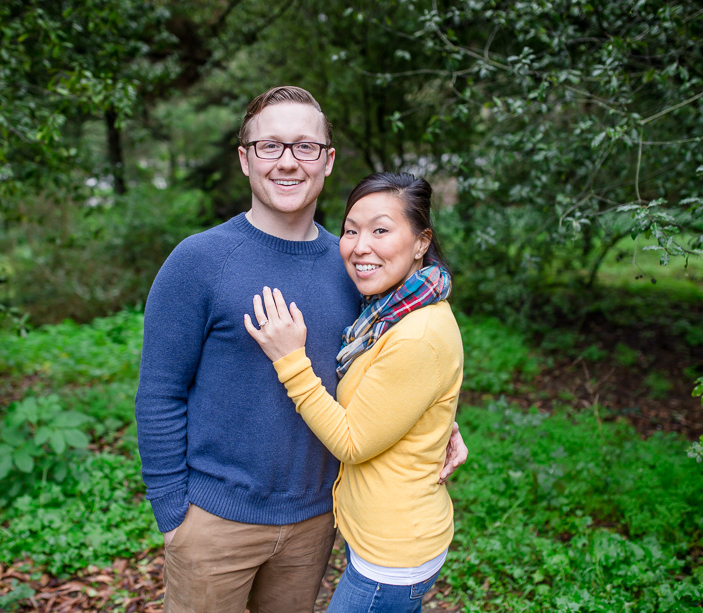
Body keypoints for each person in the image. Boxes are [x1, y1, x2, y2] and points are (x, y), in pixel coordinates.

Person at [135, 86, 467, 613]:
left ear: (327, 161)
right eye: (270, 146)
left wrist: (436, 423)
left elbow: (389, 363)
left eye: (305, 147)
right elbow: (158, 393)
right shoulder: (197, 261)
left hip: (314, 522)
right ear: (245, 158)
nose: (288, 162)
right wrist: (173, 515)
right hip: (215, 523)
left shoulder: (354, 266)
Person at [245, 172, 463, 613]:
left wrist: (291, 360)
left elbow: (353, 440)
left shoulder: (415, 332)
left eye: (381, 230)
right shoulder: (387, 312)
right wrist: (439, 425)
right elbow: (396, 396)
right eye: (351, 229)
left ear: (421, 242)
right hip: (385, 537)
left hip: (394, 552)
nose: (360, 245)